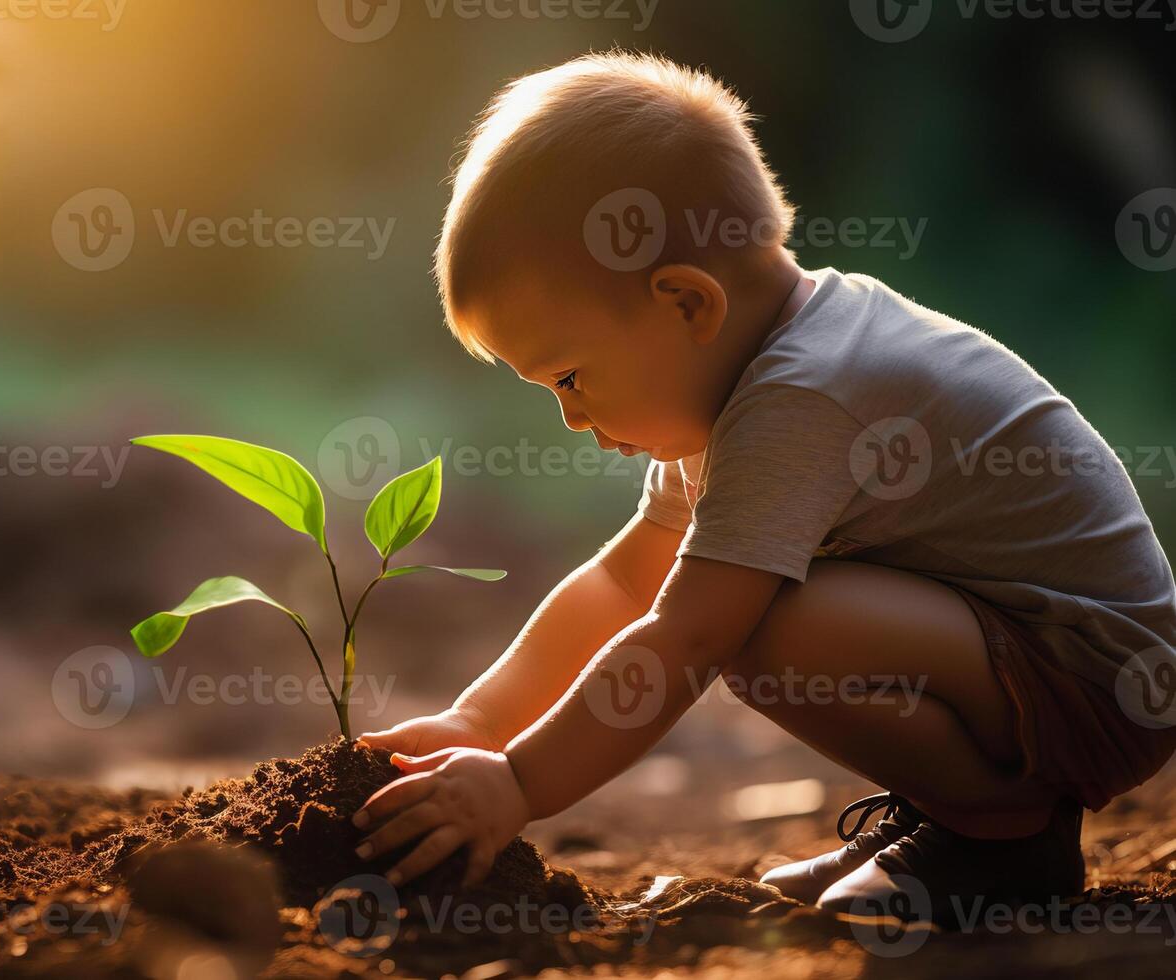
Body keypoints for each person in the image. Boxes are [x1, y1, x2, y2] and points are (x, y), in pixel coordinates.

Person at [351, 50, 1176, 924]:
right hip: (1036, 654)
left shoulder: (803, 395)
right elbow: (624, 582)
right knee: (751, 612)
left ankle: (1000, 840)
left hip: (1094, 676)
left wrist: (518, 783)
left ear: (684, 304)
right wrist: (479, 723)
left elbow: (685, 632)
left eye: (568, 378)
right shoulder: (753, 370)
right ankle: (960, 814)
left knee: (757, 630)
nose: (570, 418)